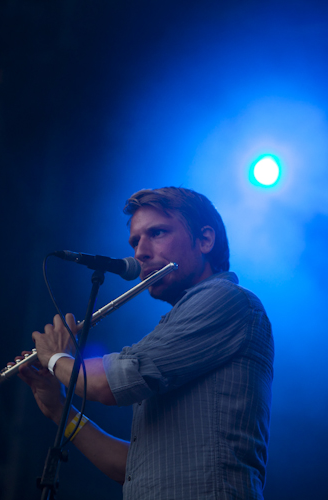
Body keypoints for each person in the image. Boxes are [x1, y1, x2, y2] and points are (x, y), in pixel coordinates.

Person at [17, 187, 274, 499]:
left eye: (157, 233)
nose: (140, 252)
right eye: (135, 241)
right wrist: (60, 410)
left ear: (205, 240)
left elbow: (113, 382)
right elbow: (135, 470)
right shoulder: (176, 324)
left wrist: (57, 359)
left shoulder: (227, 300)